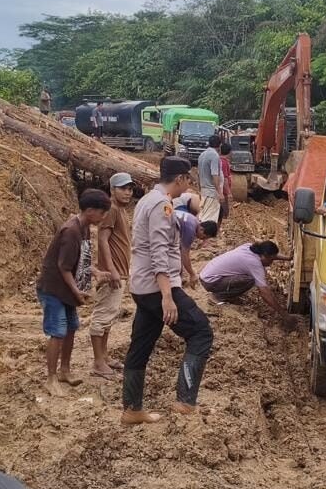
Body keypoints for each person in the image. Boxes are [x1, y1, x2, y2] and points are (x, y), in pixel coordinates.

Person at [121, 156, 215, 424]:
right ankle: (185, 402)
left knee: (141, 344)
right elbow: (159, 252)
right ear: (180, 179)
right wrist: (167, 297)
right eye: (188, 179)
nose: (189, 185)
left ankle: (132, 409)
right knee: (201, 332)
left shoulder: (147, 201)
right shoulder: (161, 206)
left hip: (142, 286)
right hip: (157, 288)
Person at [37, 188, 111, 396]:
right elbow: (64, 267)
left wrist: (95, 272)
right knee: (58, 331)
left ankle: (65, 370)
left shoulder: (85, 228)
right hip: (54, 289)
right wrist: (77, 291)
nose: (103, 217)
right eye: (101, 212)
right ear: (89, 211)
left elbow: (81, 259)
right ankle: (51, 378)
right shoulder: (71, 231)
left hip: (67, 289)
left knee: (71, 327)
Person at [90, 173, 135, 380]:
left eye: (130, 189)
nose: (128, 192)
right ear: (112, 189)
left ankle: (104, 356)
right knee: (102, 317)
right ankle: (98, 362)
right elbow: (102, 239)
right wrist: (112, 269)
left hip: (120, 272)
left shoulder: (120, 210)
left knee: (109, 316)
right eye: (123, 188)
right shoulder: (112, 210)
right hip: (112, 274)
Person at [199, 241, 288, 321]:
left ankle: (224, 293)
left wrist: (288, 258)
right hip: (210, 282)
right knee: (250, 280)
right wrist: (284, 315)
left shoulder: (248, 247)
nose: (271, 263)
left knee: (246, 276)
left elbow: (271, 255)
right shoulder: (254, 263)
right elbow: (264, 293)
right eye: (271, 260)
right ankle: (218, 297)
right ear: (264, 255)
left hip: (205, 275)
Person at [175, 207, 218, 288]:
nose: (202, 239)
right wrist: (192, 274)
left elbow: (180, 249)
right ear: (201, 229)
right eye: (204, 237)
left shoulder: (193, 219)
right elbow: (184, 255)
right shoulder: (190, 230)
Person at [196, 135, 223, 225]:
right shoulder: (214, 156)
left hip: (204, 191)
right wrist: (220, 192)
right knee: (209, 221)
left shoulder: (202, 155)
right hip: (211, 192)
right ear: (219, 145)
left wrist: (199, 189)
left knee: (203, 216)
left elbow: (198, 174)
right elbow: (215, 175)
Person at [218, 142, 234, 224]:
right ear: (229, 152)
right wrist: (228, 192)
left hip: (220, 191)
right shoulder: (224, 163)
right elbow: (225, 179)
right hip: (223, 193)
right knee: (224, 212)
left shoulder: (220, 161)